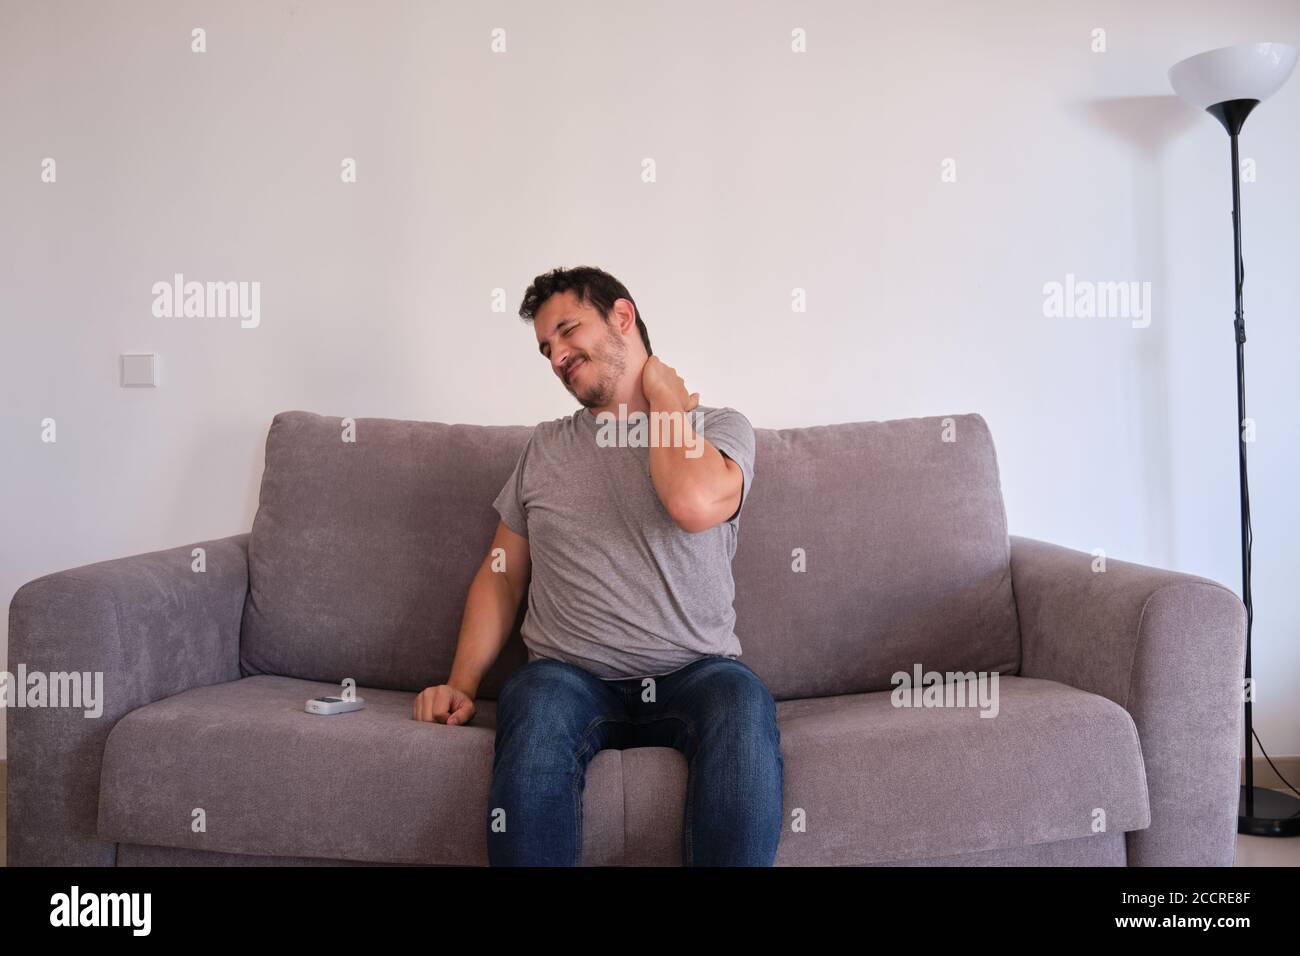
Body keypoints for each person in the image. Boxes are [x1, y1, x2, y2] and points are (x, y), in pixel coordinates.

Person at [411, 265, 783, 866]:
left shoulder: (716, 429)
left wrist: (662, 397)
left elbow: (691, 502)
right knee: (531, 706)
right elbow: (503, 573)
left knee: (744, 705)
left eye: (566, 330)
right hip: (570, 676)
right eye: (545, 348)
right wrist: (461, 685)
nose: (556, 355)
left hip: (697, 672)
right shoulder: (545, 447)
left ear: (622, 317)